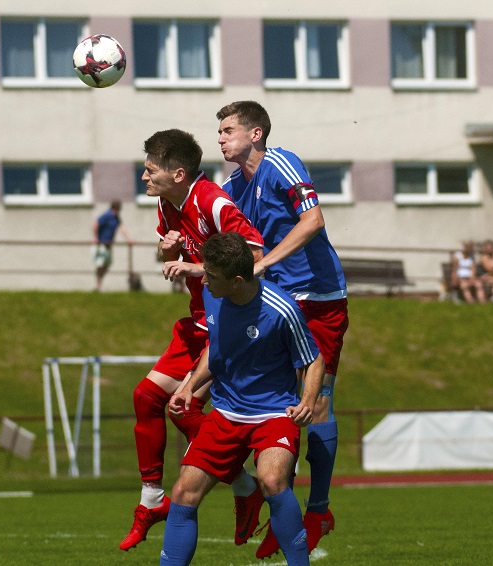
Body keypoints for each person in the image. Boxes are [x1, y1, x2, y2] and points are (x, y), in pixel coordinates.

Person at [120, 129, 265, 551]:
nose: (144, 178)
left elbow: (255, 255)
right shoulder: (168, 203)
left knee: (181, 408)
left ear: (178, 173)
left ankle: (248, 487)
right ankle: (152, 499)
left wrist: (197, 267)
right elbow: (176, 261)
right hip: (199, 322)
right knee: (146, 397)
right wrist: (171, 252)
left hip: (231, 325)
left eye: (150, 170)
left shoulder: (213, 202)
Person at [215, 101, 349, 557]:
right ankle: (281, 508)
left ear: (255, 133)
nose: (220, 138)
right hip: (276, 302)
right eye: (219, 131)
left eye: (228, 129)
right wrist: (175, 245)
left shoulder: (281, 163)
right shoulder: (231, 187)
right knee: (278, 406)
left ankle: (319, 510)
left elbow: (314, 220)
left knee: (318, 400)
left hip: (319, 297)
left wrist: (264, 263)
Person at [160, 232, 325, 566]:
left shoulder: (282, 309)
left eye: (211, 275)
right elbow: (216, 348)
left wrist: (308, 400)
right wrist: (189, 387)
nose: (204, 280)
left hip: (274, 414)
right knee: (182, 493)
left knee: (272, 481)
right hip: (226, 413)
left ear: (236, 281)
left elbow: (314, 359)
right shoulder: (213, 296)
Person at [92, 200, 133, 290]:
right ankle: (97, 285)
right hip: (101, 244)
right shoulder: (107, 215)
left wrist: (128, 239)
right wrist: (95, 238)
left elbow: (121, 228)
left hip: (108, 245)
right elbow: (95, 224)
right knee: (100, 265)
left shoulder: (116, 217)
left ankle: (99, 283)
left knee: (107, 265)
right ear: (115, 208)